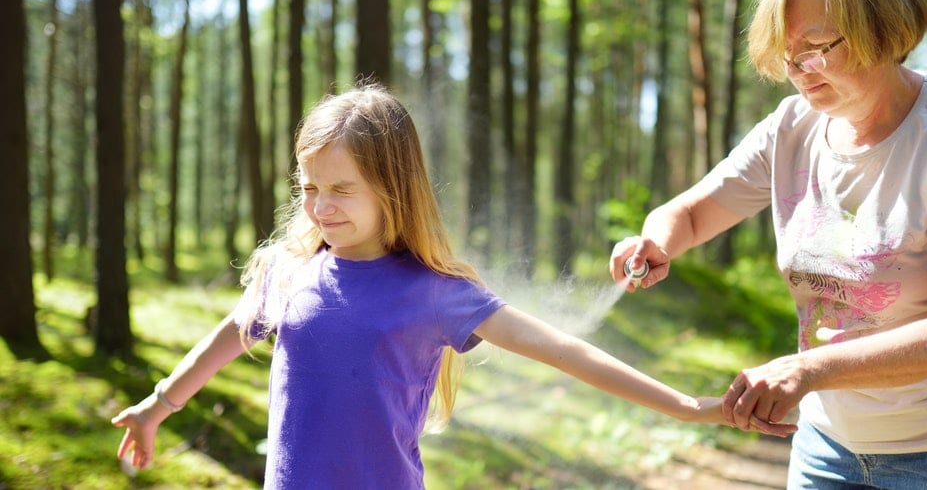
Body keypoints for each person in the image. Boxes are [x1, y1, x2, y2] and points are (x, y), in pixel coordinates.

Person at [110, 85, 793, 489]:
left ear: (393, 188)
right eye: (310, 188)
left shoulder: (434, 293)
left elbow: (564, 352)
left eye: (342, 190)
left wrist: (687, 407)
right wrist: (157, 406)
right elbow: (228, 336)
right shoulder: (287, 273)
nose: (320, 208)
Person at [610, 0, 927, 488]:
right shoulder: (792, 126)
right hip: (824, 446)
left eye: (815, 49)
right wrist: (654, 241)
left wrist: (807, 370)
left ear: (883, 26)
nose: (796, 72)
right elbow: (693, 212)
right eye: (787, 54)